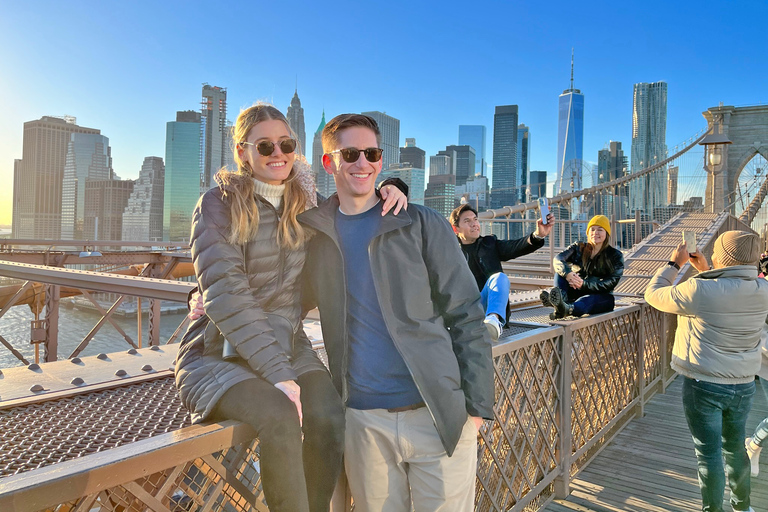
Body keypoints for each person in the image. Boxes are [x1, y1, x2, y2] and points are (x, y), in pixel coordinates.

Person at [174, 104, 405, 512]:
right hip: (217, 351)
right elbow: (227, 292)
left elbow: (350, 220)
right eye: (265, 145)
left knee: (331, 414)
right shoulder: (217, 204)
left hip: (286, 341)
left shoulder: (307, 204)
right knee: (281, 415)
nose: (277, 153)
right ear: (243, 152)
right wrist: (280, 375)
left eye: (287, 144)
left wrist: (393, 187)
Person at [299, 114, 494, 511]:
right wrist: (206, 293)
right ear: (328, 162)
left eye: (371, 153)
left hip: (437, 414)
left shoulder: (422, 223)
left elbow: (466, 313)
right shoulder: (315, 238)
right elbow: (277, 300)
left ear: (381, 159)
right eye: (349, 153)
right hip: (364, 423)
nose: (362, 163)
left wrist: (476, 409)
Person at [644, 230, 768, 512]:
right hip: (744, 385)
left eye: (716, 253)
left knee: (708, 455)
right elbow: (732, 290)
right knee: (735, 450)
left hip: (704, 384)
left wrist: (675, 264)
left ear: (723, 257)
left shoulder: (699, 290)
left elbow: (653, 294)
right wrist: (709, 272)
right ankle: (742, 506)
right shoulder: (764, 290)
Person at [449, 203, 554, 341]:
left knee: (499, 278)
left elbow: (516, 246)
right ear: (455, 229)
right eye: (467, 221)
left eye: (475, 219)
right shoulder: (449, 252)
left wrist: (538, 235)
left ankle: (494, 321)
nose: (474, 224)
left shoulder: (489, 243)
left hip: (485, 307)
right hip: (464, 311)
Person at [543, 214, 624, 320]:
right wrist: (568, 274)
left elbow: (611, 282)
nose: (595, 233)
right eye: (592, 229)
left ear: (606, 234)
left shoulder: (615, 255)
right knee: (561, 271)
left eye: (600, 230)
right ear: (588, 232)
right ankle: (561, 301)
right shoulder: (579, 247)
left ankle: (565, 307)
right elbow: (558, 259)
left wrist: (584, 284)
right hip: (575, 292)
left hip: (600, 297)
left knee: (588, 300)